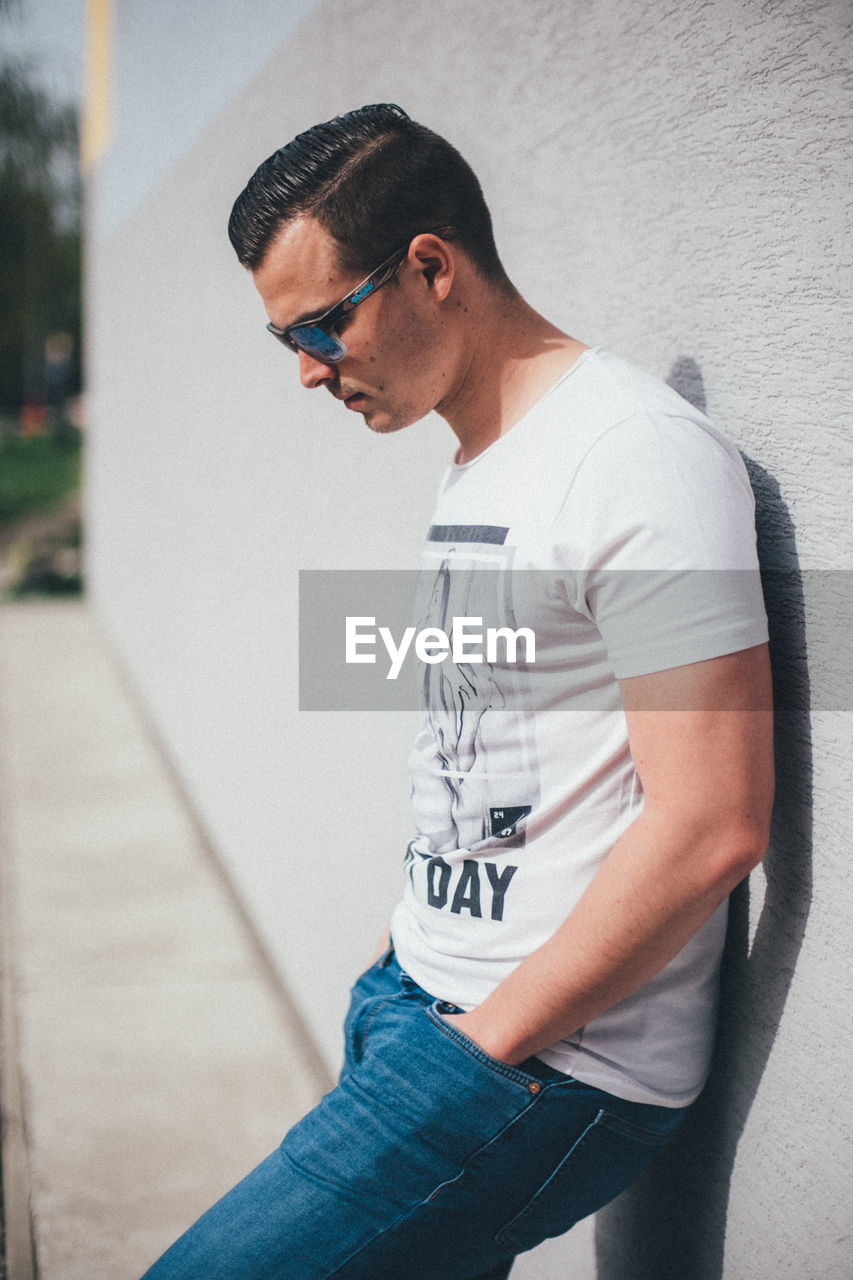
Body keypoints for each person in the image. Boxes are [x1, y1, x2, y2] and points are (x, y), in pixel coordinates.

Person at [142, 103, 774, 1280]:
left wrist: (483, 1042)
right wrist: (399, 949)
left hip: (541, 1061)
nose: (306, 371)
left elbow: (713, 822)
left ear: (430, 265)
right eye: (285, 339)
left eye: (321, 325)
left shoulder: (635, 452)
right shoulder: (483, 455)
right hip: (416, 1003)